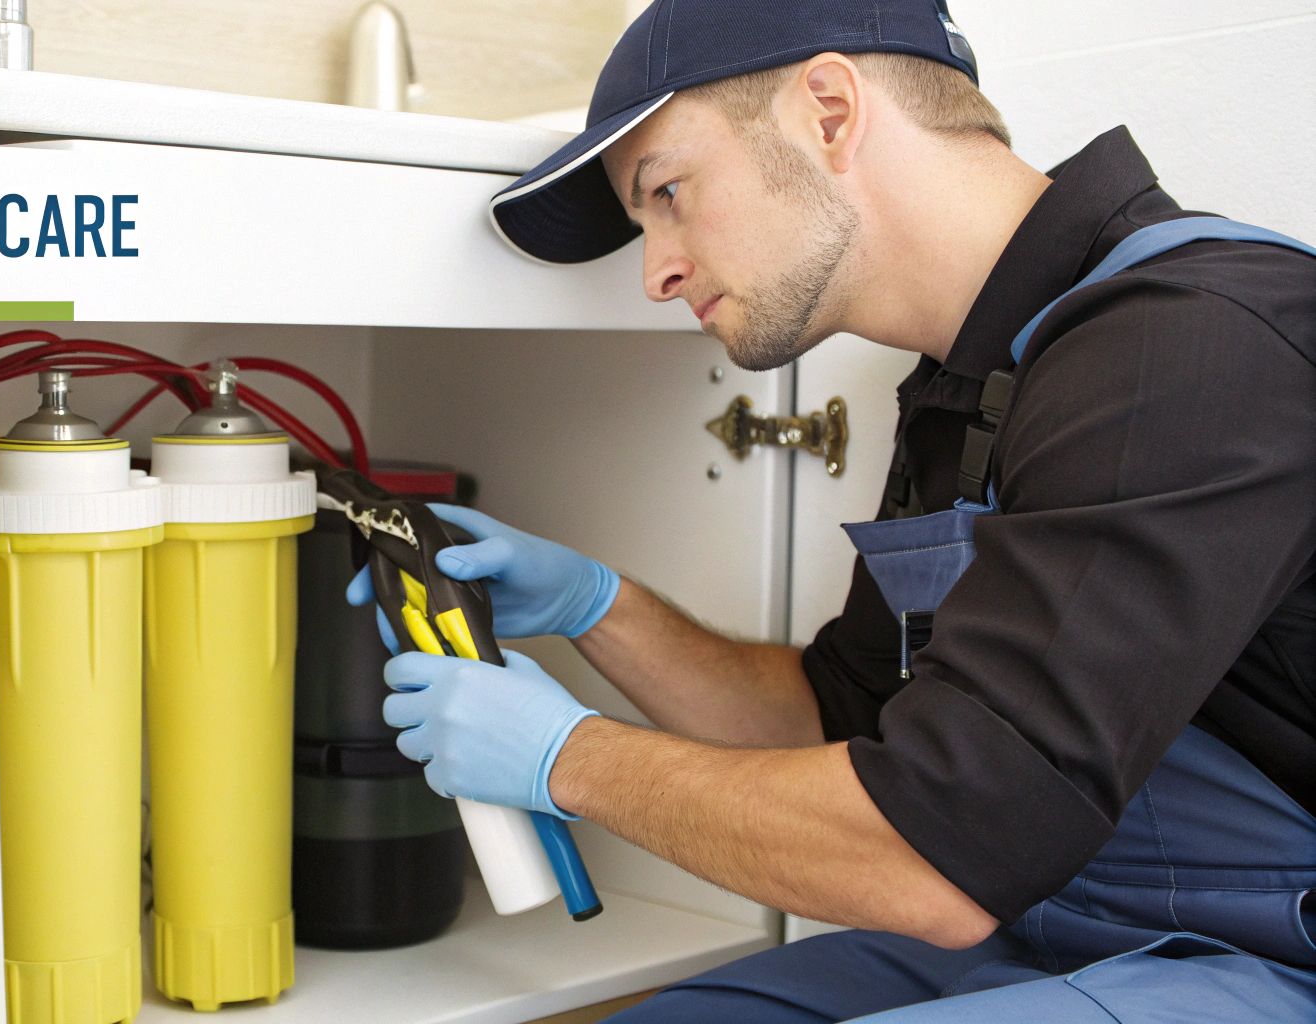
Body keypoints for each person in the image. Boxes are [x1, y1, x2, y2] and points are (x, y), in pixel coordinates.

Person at [349, 1, 1316, 1020]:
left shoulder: (1188, 344)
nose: (655, 272)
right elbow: (841, 722)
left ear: (828, 111)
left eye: (668, 193)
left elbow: (935, 854)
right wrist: (597, 606)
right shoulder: (966, 380)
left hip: (1263, 959)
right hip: (1051, 924)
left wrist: (568, 758)